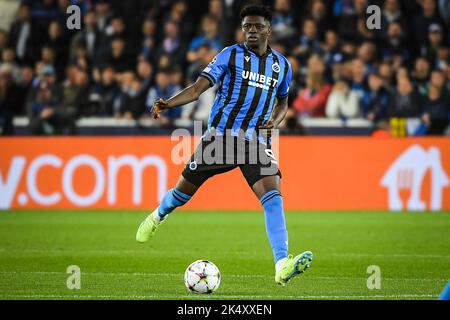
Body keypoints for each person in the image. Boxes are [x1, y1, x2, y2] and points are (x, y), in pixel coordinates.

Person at [136, 4, 313, 286]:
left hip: (255, 140)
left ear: (269, 28)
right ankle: (158, 215)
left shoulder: (282, 65)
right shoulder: (230, 55)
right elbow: (197, 89)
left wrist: (276, 121)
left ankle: (281, 264)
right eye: (246, 27)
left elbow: (283, 102)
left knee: (273, 195)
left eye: (257, 26)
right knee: (183, 191)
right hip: (220, 138)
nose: (251, 31)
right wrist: (168, 103)